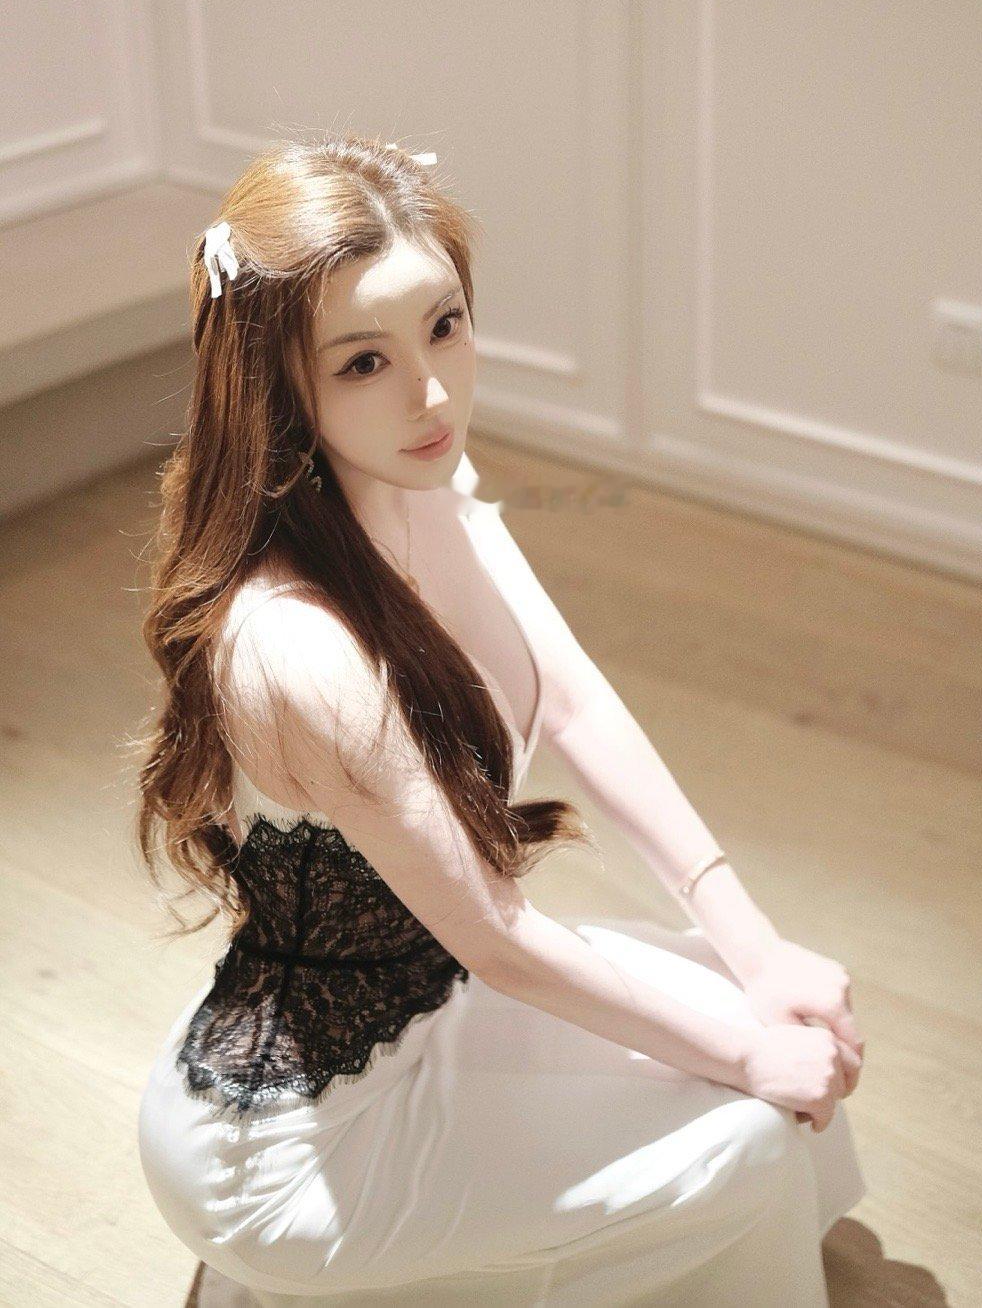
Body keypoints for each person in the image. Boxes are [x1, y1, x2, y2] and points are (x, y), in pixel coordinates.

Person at [135, 133, 867, 1306]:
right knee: (744, 1124)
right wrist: (745, 1052)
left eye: (444, 325)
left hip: (432, 999)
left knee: (734, 992)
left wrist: (756, 943)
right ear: (279, 389)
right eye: (363, 363)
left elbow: (572, 698)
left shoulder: (427, 486)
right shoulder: (296, 650)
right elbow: (495, 938)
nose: (431, 392)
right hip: (292, 1141)